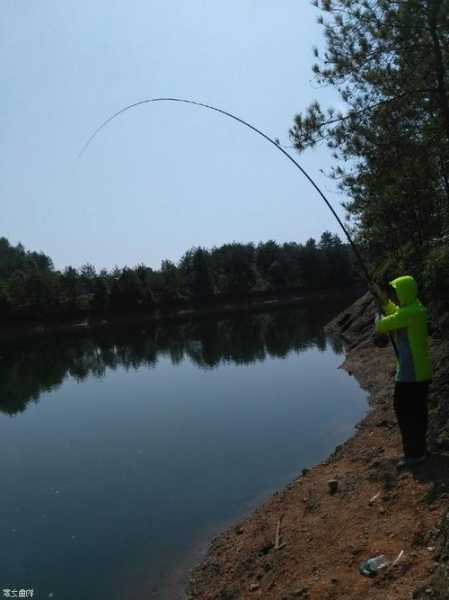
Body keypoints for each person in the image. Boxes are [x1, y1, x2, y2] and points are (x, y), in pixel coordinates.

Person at [373, 275, 432, 468]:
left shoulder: (411, 313)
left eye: (396, 292)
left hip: (411, 373)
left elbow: (382, 323)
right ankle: (420, 449)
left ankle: (414, 454)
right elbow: (395, 311)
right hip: (416, 371)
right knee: (417, 411)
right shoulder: (414, 308)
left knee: (405, 412)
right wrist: (384, 301)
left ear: (404, 292)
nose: (395, 297)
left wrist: (377, 309)